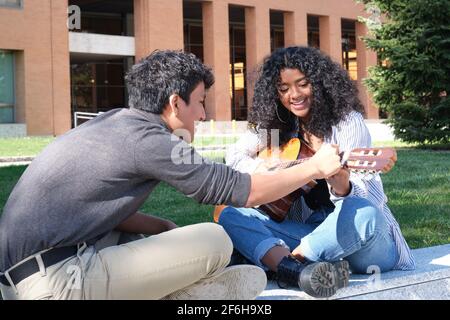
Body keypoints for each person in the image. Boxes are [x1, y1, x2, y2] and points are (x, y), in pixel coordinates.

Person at [0, 50, 345, 300]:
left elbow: (93, 208)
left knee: (142, 239)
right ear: (175, 103)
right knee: (215, 240)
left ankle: (181, 289)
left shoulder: (112, 123)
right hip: (57, 285)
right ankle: (187, 295)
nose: (204, 114)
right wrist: (314, 167)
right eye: (200, 101)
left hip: (19, 280)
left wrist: (162, 228)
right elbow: (240, 190)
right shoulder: (152, 140)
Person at [218, 46, 416, 298]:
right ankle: (305, 269)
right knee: (231, 214)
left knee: (362, 211)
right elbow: (233, 156)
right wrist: (271, 171)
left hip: (365, 245)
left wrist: (341, 185)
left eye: (303, 84)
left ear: (321, 83)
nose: (294, 95)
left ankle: (286, 265)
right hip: (312, 232)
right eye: (284, 88)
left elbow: (369, 200)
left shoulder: (346, 122)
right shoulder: (279, 125)